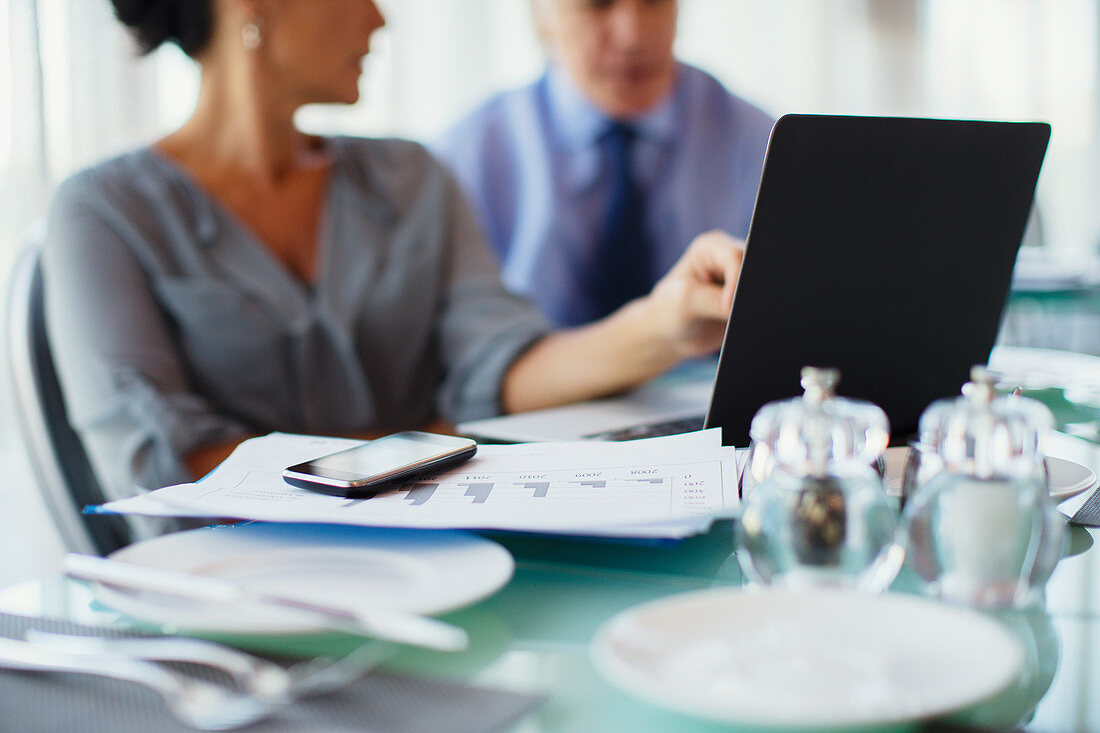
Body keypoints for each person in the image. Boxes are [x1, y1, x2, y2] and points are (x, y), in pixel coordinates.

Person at [44, 0, 743, 530]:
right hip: (224, 590)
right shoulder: (102, 212)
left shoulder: (411, 175)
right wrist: (439, 440)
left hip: (437, 555)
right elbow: (163, 474)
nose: (379, 20)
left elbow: (499, 370)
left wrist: (665, 324)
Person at [433, 0, 774, 327]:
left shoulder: (764, 146)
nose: (632, 37)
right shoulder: (462, 159)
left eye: (654, 1)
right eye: (597, 4)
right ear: (541, 13)